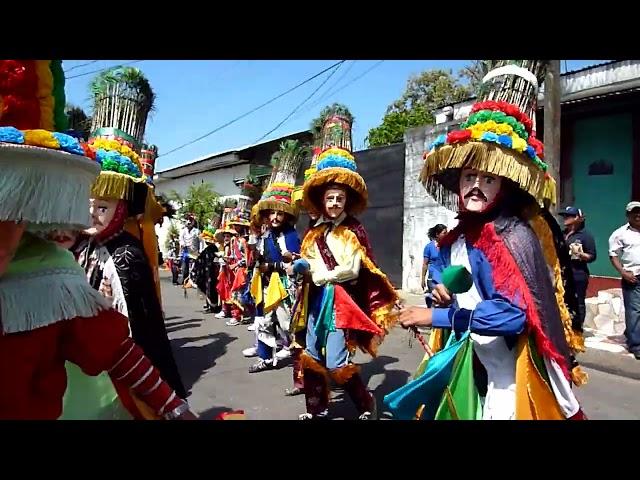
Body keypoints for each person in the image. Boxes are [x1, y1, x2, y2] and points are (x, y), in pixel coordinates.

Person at [387, 63, 588, 420]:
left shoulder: (512, 235)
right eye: (469, 176)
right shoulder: (459, 235)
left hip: (511, 379)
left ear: (505, 185)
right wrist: (444, 294)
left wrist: (435, 315)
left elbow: (511, 314)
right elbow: (462, 285)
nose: (476, 184)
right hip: (475, 365)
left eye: (488, 178)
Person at [0, 59, 195, 420]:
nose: (91, 213)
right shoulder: (70, 253)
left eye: (10, 210)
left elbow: (116, 346)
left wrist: (172, 407)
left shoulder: (58, 272)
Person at [298, 106, 399, 419]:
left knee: (337, 358)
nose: (333, 203)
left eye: (339, 198)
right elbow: (307, 263)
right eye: (329, 198)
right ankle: (316, 408)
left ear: (347, 200)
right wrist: (302, 270)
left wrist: (325, 274)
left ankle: (365, 404)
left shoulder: (354, 229)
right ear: (321, 200)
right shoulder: (313, 232)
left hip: (342, 302)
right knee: (311, 353)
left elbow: (354, 269)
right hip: (315, 301)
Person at [79, 136, 188, 409]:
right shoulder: (83, 243)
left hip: (117, 370)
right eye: (87, 204)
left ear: (121, 210)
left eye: (102, 207)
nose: (92, 213)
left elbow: (137, 332)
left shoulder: (126, 256)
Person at [608, 201, 640, 360]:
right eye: (634, 212)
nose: (638, 215)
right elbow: (613, 255)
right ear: (628, 215)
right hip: (633, 277)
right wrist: (622, 272)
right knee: (634, 311)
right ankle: (636, 345)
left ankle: (631, 333)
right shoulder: (620, 234)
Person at [558, 206, 596, 333]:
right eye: (564, 216)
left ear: (577, 218)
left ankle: (578, 329)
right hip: (562, 274)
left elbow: (592, 256)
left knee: (578, 301)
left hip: (578, 274)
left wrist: (581, 255)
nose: (565, 218)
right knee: (563, 299)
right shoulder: (562, 234)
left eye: (568, 216)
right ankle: (566, 326)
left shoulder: (585, 236)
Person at [422, 224, 448, 307]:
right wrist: (422, 279)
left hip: (445, 278)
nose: (446, 235)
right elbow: (425, 264)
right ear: (437, 234)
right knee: (435, 301)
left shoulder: (447, 246)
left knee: (444, 301)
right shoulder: (429, 247)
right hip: (433, 278)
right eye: (444, 233)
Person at [179, 214, 201, 285]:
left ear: (193, 222)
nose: (189, 222)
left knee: (195, 267)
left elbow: (200, 241)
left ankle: (194, 280)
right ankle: (184, 280)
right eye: (187, 220)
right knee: (185, 266)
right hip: (186, 251)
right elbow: (181, 239)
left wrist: (200, 251)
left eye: (190, 220)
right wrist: (183, 244)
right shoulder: (183, 231)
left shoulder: (197, 231)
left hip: (194, 251)